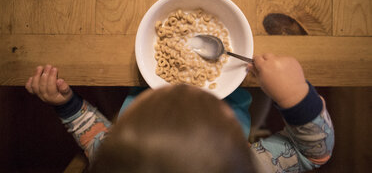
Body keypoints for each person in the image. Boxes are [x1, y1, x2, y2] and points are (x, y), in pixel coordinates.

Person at [25, 53, 334, 172]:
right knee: (261, 99)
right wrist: (294, 96)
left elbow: (97, 142)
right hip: (238, 94)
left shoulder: (123, 160)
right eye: (208, 110)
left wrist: (67, 105)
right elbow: (313, 153)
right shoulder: (249, 167)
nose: (186, 88)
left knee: (110, 91)